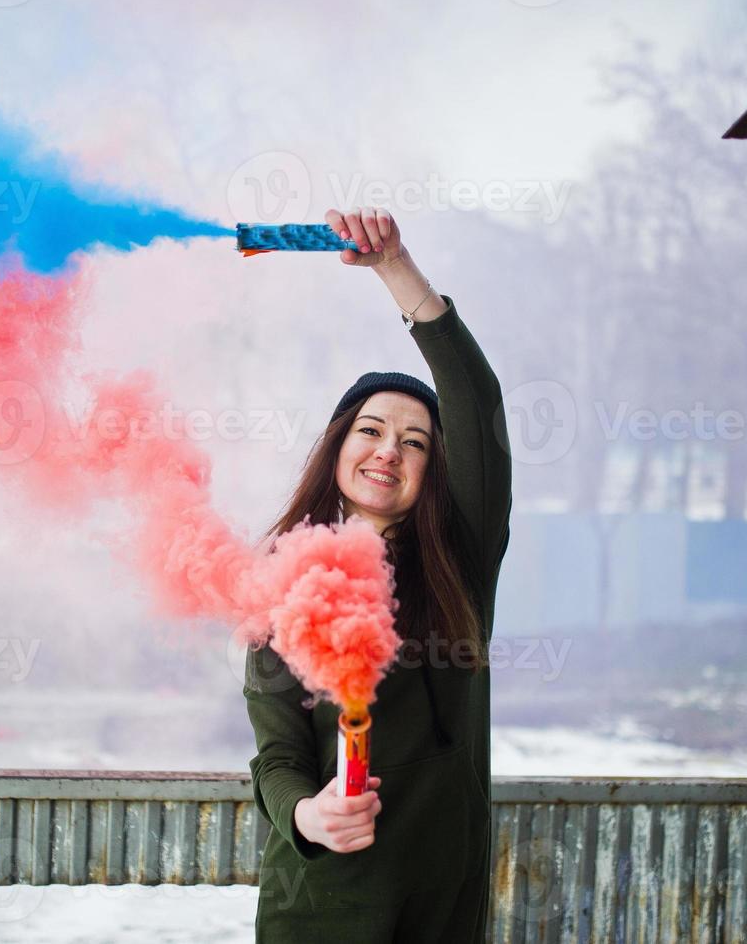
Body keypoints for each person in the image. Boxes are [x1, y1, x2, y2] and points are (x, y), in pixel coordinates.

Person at [243, 206, 513, 942]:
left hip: (440, 908)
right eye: (369, 430)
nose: (388, 450)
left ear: (435, 470)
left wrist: (394, 266)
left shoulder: (460, 563)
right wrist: (307, 812)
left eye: (414, 441)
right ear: (337, 448)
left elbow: (476, 400)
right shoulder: (287, 577)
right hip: (321, 908)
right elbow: (277, 753)